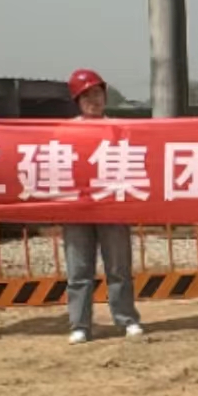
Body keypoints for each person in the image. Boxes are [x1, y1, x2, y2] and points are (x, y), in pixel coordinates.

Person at [62, 69, 143, 344]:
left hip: (111, 205)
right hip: (77, 208)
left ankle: (126, 318)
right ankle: (80, 324)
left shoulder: (118, 128)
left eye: (97, 93)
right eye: (86, 96)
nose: (93, 100)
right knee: (78, 270)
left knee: (119, 267)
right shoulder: (66, 131)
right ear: (77, 100)